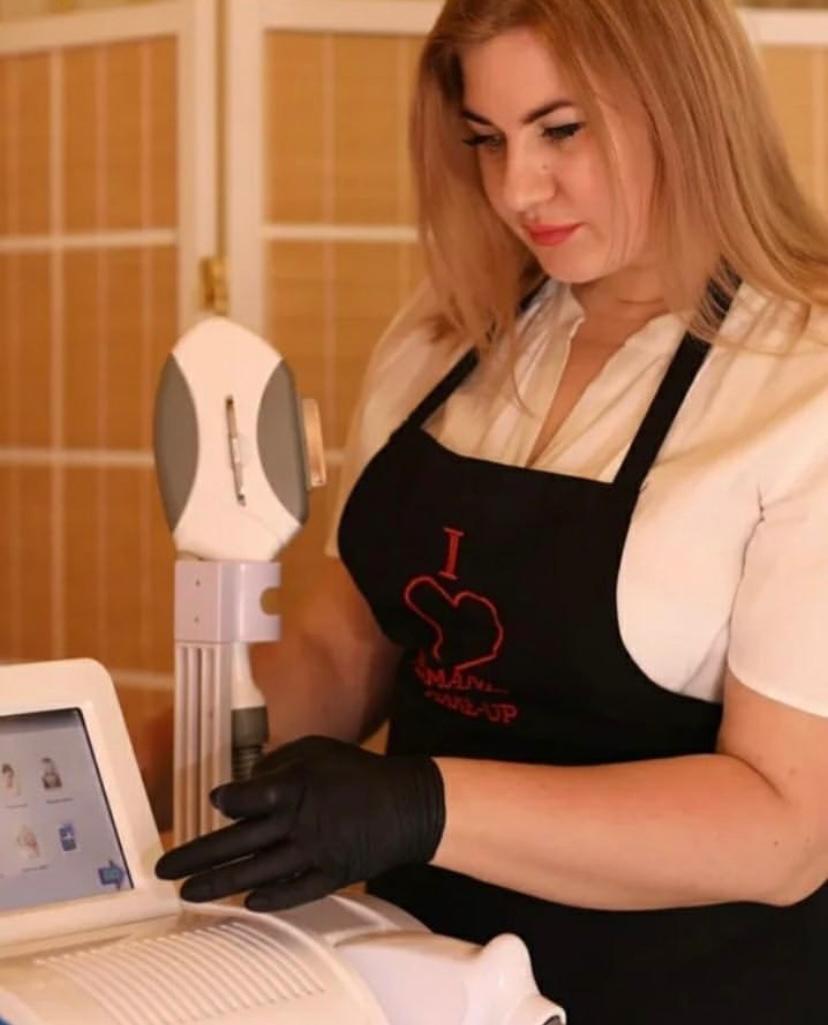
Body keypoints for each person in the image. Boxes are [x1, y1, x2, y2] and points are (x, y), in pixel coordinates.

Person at [156, 1, 828, 1020]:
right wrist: (129, 767)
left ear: (689, 108)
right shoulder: (446, 336)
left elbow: (784, 829)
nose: (518, 188)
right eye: (486, 139)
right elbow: (342, 649)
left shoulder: (802, 383)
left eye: (562, 130)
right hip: (419, 978)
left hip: (689, 991)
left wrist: (422, 802)